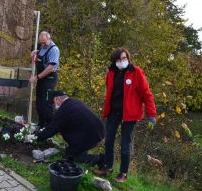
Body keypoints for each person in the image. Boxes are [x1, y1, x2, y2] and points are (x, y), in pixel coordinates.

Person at [94, 47, 157, 183]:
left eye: (124, 58)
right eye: (118, 59)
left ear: (128, 58)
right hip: (113, 112)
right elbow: (109, 91)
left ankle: (123, 173)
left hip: (130, 114)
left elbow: (146, 94)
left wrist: (151, 113)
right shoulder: (111, 73)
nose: (121, 61)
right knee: (109, 139)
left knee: (125, 143)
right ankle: (108, 167)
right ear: (114, 61)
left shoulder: (136, 72)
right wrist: (106, 110)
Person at [35, 90, 105, 167]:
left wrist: (35, 137)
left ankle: (99, 159)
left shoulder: (64, 109)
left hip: (91, 135)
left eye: (53, 102)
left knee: (70, 157)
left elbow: (51, 130)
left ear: (57, 99)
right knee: (71, 149)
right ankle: (82, 151)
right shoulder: (74, 102)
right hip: (97, 131)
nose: (54, 106)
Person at [29, 31, 60, 128]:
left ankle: (49, 127)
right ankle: (41, 124)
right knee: (39, 102)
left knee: (47, 104)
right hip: (41, 79)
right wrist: (35, 52)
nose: (42, 44)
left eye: (43, 41)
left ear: (49, 38)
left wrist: (36, 77)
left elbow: (50, 68)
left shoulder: (54, 49)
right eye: (40, 42)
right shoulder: (42, 47)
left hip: (49, 79)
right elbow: (41, 57)